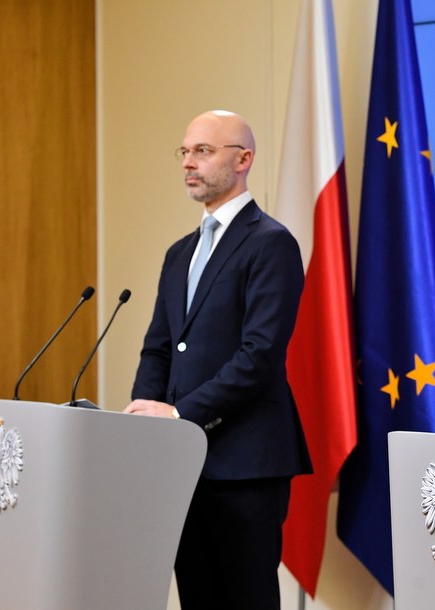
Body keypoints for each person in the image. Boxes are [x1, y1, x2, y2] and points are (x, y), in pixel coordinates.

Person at [125, 110, 312, 609]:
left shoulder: (270, 243)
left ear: (243, 159)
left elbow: (260, 355)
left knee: (245, 599)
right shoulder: (179, 252)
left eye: (203, 151)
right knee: (198, 598)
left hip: (246, 463)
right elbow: (160, 347)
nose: (189, 163)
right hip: (181, 464)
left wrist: (181, 414)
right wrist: (145, 412)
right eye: (184, 152)